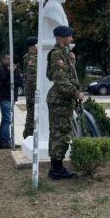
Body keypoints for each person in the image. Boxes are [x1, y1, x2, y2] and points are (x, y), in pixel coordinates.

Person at [46, 25, 84, 179]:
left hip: (63, 101)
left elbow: (66, 75)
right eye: (69, 36)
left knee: (60, 132)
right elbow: (60, 81)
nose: (71, 39)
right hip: (59, 101)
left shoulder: (64, 54)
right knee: (60, 133)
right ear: (61, 37)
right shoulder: (57, 55)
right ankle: (56, 169)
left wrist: (72, 61)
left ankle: (56, 167)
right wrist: (76, 93)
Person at [0, 53, 23, 149]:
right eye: (7, 59)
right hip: (4, 98)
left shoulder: (15, 70)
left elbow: (20, 82)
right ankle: (6, 141)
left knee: (5, 120)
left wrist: (13, 75)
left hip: (12, 98)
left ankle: (2, 142)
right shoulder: (0, 70)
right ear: (3, 60)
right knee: (7, 120)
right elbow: (3, 81)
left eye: (10, 59)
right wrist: (9, 72)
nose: (9, 61)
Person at [22, 36, 38, 139]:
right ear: (34, 45)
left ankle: (28, 135)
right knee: (31, 116)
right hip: (32, 91)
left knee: (31, 115)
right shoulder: (31, 58)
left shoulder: (31, 57)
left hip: (31, 90)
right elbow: (33, 77)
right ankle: (28, 136)